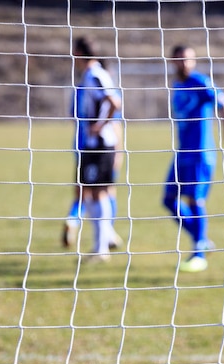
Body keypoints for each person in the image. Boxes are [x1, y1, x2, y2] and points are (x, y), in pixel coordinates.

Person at [164, 45, 224, 273]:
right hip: (182, 151)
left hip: (200, 153)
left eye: (189, 60)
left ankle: (199, 254)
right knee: (169, 199)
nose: (185, 64)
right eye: (180, 60)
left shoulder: (200, 81)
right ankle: (201, 238)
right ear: (173, 62)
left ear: (194, 61)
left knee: (196, 201)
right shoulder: (177, 84)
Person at [63, 36, 122, 262]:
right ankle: (102, 244)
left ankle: (102, 248)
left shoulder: (96, 74)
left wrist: (99, 126)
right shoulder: (90, 75)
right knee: (90, 192)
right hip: (91, 145)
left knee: (98, 193)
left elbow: (114, 102)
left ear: (78, 53)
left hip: (100, 145)